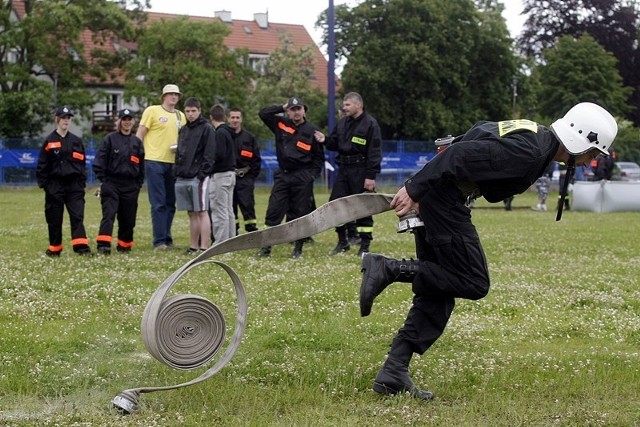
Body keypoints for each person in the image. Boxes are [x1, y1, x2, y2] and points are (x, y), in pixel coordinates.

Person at [359, 103, 617, 401]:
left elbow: (478, 130)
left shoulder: (536, 137)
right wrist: (415, 189)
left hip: (439, 196)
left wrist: (423, 188)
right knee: (472, 280)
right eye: (593, 153)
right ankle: (387, 268)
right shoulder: (530, 151)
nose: (590, 162)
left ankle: (394, 371)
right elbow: (457, 155)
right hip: (443, 201)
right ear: (580, 140)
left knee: (439, 287)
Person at [257, 97, 325, 258]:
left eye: (298, 108)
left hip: (302, 176)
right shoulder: (281, 124)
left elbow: (318, 158)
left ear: (304, 110)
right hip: (284, 174)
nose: (296, 112)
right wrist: (281, 107)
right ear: (288, 111)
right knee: (273, 210)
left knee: (300, 213)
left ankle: (297, 249)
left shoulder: (312, 131)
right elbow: (263, 114)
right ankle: (266, 248)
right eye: (292, 109)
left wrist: (311, 176)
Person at [324, 92, 382, 256]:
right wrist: (324, 140)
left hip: (361, 170)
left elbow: (375, 152)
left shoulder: (370, 124)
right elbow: (333, 144)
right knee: (335, 204)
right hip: (343, 170)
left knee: (363, 207)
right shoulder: (342, 123)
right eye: (344, 104)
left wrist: (370, 176)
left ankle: (364, 244)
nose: (344, 107)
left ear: (358, 105)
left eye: (347, 104)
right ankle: (343, 242)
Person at [36, 106, 91, 256]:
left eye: (68, 117)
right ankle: (55, 249)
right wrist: (46, 185)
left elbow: (82, 164)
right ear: (57, 120)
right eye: (63, 117)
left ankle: (81, 248)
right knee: (54, 218)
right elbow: (42, 165)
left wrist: (81, 182)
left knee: (77, 216)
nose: (66, 120)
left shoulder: (76, 141)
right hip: (55, 185)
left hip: (74, 186)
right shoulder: (49, 141)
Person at [136, 83, 186, 250]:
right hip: (154, 160)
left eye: (176, 94)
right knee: (158, 203)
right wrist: (136, 152)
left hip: (173, 162)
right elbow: (140, 133)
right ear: (164, 96)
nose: (174, 97)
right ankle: (159, 241)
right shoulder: (152, 111)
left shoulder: (181, 116)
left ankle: (167, 237)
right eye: (171, 94)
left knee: (171, 202)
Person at [92, 108, 145, 254]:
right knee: (109, 215)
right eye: (124, 120)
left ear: (133, 122)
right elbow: (99, 162)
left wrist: (138, 184)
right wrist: (104, 180)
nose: (127, 123)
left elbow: (141, 166)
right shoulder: (110, 139)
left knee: (128, 218)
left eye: (129, 120)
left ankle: (124, 245)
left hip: (131, 186)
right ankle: (103, 245)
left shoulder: (137, 142)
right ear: (119, 122)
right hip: (112, 184)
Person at [175, 97, 216, 255]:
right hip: (183, 175)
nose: (190, 114)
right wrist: (176, 171)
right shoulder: (184, 130)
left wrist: (202, 174)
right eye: (187, 111)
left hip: (199, 176)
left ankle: (204, 247)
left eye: (193, 111)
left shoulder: (207, 128)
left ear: (199, 111)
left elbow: (210, 153)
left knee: (202, 210)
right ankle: (193, 246)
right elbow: (179, 152)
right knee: (191, 212)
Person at [228, 107, 261, 234]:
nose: (235, 120)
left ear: (241, 119)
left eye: (237, 117)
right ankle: (233, 232)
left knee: (248, 206)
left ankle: (251, 232)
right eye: (232, 117)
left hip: (245, 178)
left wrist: (251, 177)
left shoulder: (249, 137)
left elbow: (256, 159)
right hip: (229, 176)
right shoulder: (224, 135)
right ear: (228, 119)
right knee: (231, 207)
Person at [208, 104, 237, 244]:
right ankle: (231, 239)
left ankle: (220, 242)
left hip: (220, 175)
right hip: (231, 174)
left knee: (220, 210)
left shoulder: (219, 133)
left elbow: (218, 155)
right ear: (225, 117)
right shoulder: (229, 132)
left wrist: (208, 163)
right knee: (228, 209)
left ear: (211, 117)